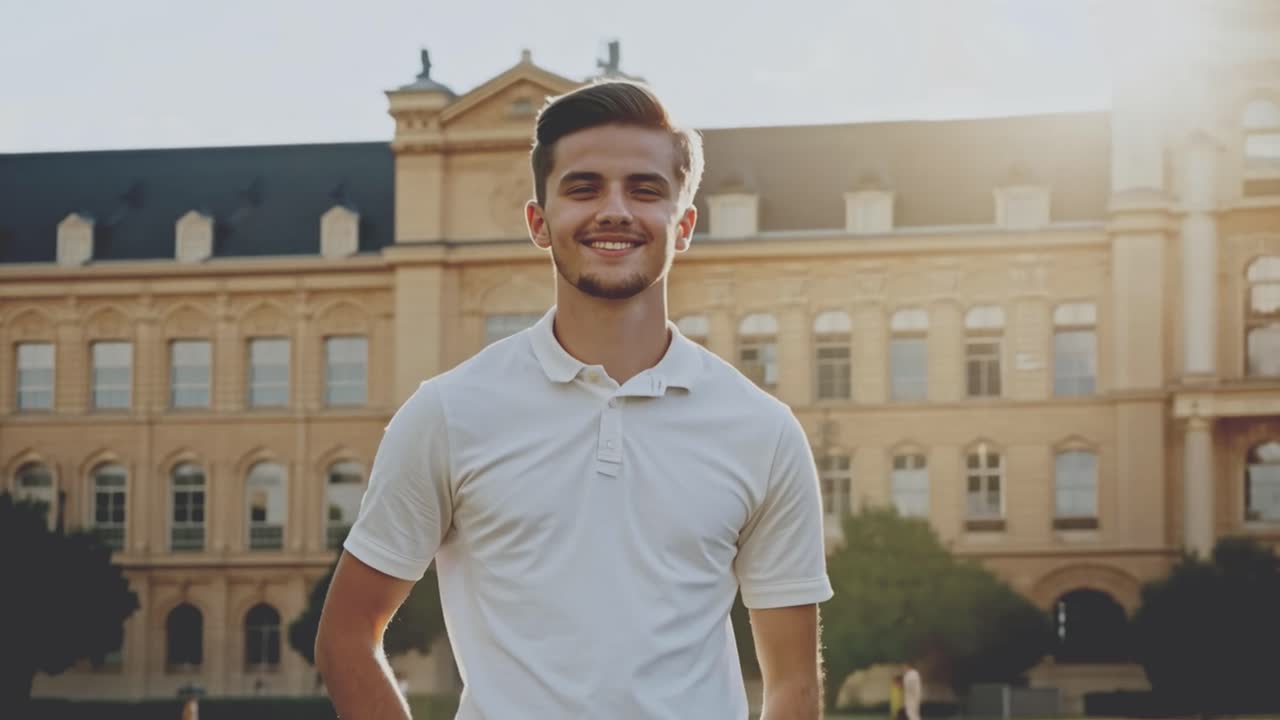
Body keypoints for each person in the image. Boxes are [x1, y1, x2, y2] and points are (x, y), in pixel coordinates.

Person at [315, 79, 833, 719]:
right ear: (539, 221)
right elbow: (346, 637)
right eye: (583, 187)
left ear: (685, 225)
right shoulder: (449, 413)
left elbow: (792, 686)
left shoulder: (762, 430)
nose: (614, 210)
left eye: (644, 190)